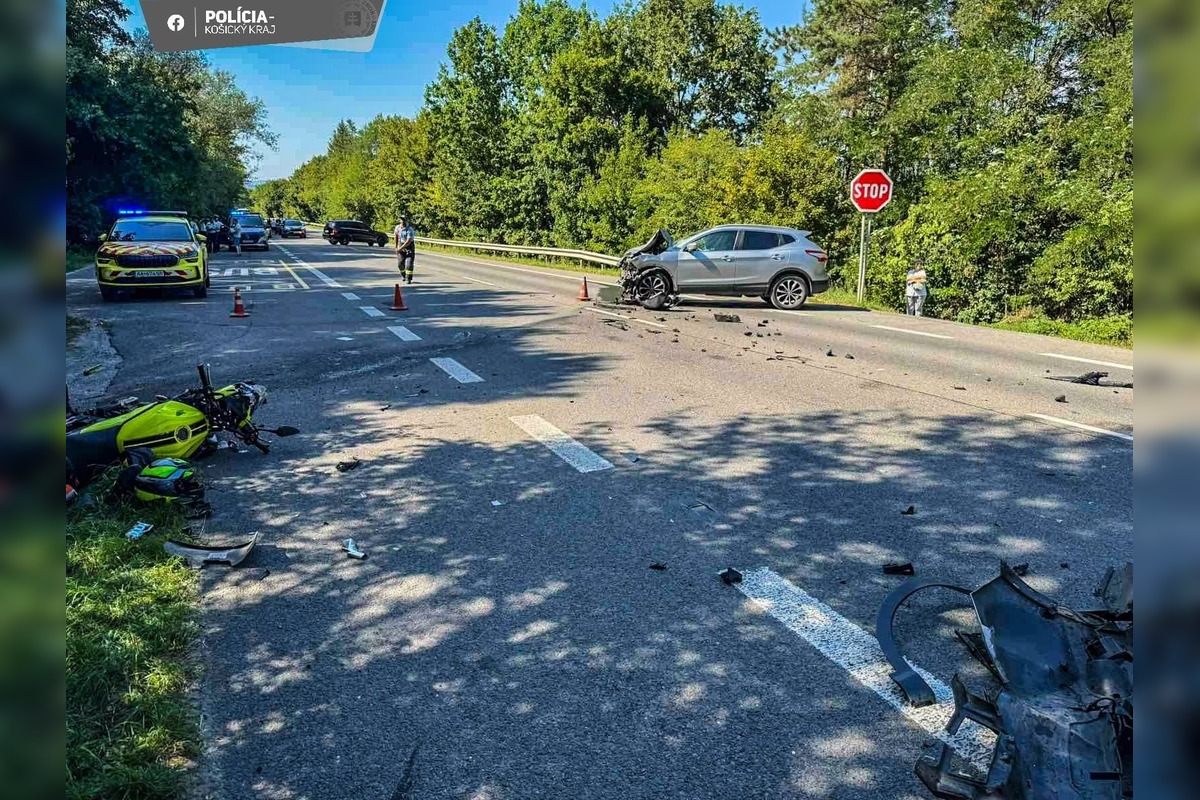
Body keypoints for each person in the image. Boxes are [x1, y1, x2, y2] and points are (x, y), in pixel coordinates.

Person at [393, 215, 415, 284]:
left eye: (404, 220)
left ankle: (409, 278)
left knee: (409, 264)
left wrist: (400, 248)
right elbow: (396, 236)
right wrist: (396, 247)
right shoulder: (397, 227)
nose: (402, 221)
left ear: (406, 221)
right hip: (401, 244)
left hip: (409, 247)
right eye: (401, 219)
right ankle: (403, 275)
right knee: (400, 263)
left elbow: (408, 241)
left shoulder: (410, 229)